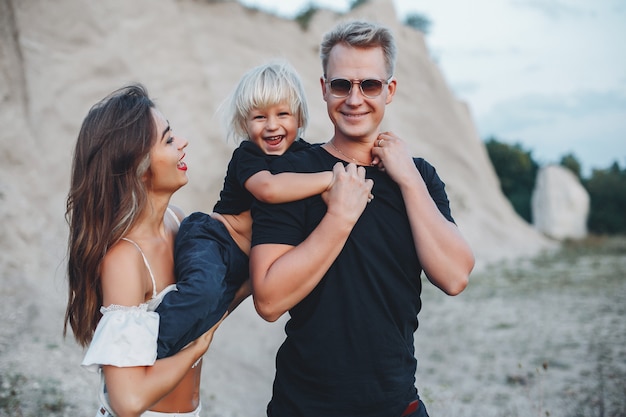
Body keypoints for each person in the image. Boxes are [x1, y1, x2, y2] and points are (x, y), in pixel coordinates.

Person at [249, 20, 475, 417]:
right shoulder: (291, 174)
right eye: (341, 85)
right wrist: (339, 217)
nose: (355, 99)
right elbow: (269, 300)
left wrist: (406, 178)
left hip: (397, 404)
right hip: (304, 407)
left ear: (389, 90)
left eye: (369, 85)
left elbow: (455, 276)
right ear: (323, 89)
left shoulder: (419, 177)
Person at [155, 60, 372, 358]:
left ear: (299, 117)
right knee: (200, 294)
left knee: (208, 318)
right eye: (259, 117)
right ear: (245, 124)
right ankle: (146, 345)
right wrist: (332, 179)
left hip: (241, 263)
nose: (272, 125)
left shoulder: (303, 156)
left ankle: (166, 350)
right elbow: (268, 189)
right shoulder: (248, 155)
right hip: (215, 241)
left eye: (282, 114)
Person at [64, 84, 223, 417]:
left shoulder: (177, 221)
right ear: (137, 164)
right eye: (167, 139)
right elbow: (129, 401)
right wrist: (197, 347)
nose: (182, 143)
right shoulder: (124, 259)